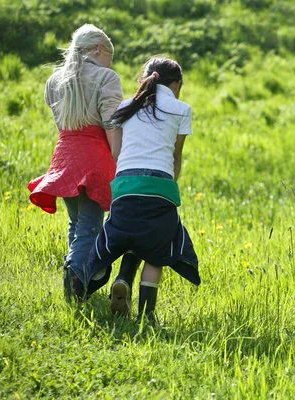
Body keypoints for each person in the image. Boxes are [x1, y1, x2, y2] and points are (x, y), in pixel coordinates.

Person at [85, 56, 200, 323]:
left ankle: (123, 278)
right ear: (177, 83)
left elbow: (116, 152)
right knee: (156, 248)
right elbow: (175, 156)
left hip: (125, 185)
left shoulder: (126, 107)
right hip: (160, 184)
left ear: (145, 79)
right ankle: (146, 317)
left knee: (129, 233)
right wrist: (168, 185)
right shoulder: (182, 109)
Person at [28, 24, 138, 300]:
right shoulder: (106, 78)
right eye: (109, 58)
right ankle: (76, 281)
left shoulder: (54, 80)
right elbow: (111, 123)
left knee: (76, 222)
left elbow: (60, 123)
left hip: (64, 155)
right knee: (89, 225)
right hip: (95, 156)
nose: (109, 64)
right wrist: (119, 160)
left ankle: (77, 279)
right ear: (99, 49)